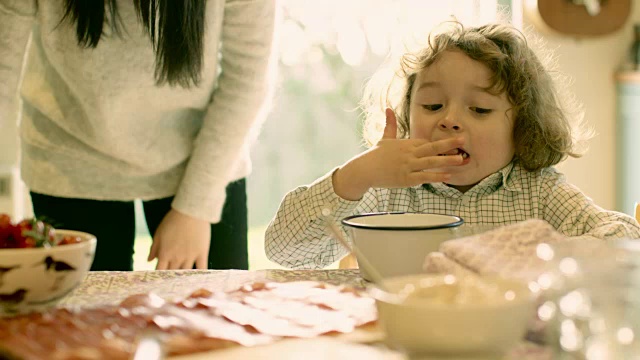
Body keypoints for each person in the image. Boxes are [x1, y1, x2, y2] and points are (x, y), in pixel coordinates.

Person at [264, 21, 640, 270]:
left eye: (478, 108)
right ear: (409, 114)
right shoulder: (387, 193)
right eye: (432, 106)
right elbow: (286, 250)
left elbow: (623, 243)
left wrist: (543, 256)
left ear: (522, 126)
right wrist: (358, 175)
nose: (450, 119)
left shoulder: (540, 191)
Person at [0, 0, 277, 271]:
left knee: (216, 311)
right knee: (83, 315)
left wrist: (195, 209)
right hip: (69, 157)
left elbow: (247, 78)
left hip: (202, 157)